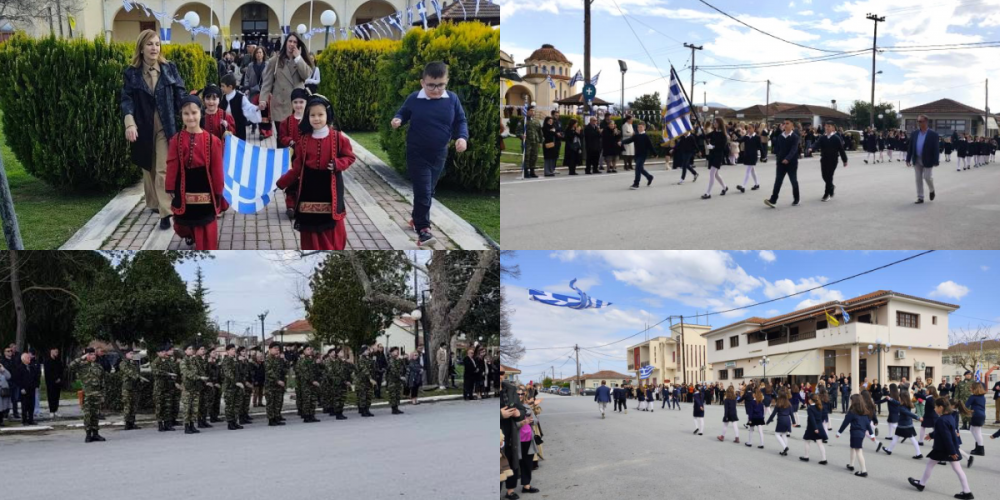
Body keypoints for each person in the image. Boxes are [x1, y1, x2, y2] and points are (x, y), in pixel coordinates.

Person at [390, 62, 470, 245]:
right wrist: (398, 119)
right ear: (422, 82)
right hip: (417, 153)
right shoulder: (414, 99)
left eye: (440, 85)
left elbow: (460, 120)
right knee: (424, 192)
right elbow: (403, 112)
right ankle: (423, 230)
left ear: (447, 82)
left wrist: (462, 138)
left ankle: (416, 218)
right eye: (431, 85)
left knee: (428, 191)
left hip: (439, 154)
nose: (435, 89)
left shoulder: (452, 99)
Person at [122, 29, 188, 231]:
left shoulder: (169, 68)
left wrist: (191, 113)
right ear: (141, 48)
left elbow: (180, 94)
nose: (154, 48)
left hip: (165, 127)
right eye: (150, 44)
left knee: (162, 169)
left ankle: (165, 212)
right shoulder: (131, 73)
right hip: (142, 127)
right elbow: (126, 100)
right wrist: (130, 123)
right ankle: (153, 203)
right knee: (147, 167)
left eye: (157, 44)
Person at [277, 95, 355, 250]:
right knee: (310, 226)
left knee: (331, 225)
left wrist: (338, 164)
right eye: (312, 115)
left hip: (330, 189)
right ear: (307, 117)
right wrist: (280, 183)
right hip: (309, 189)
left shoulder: (338, 138)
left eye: (320, 115)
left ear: (328, 115)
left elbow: (350, 157)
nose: (316, 119)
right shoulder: (304, 140)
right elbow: (297, 167)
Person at [165, 95, 228, 249]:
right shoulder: (176, 140)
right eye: (186, 114)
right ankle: (189, 235)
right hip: (184, 187)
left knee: (205, 226)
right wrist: (170, 186)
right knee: (181, 223)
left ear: (201, 113)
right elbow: (172, 164)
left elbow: (217, 169)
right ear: (181, 116)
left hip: (205, 189)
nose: (190, 117)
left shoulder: (213, 141)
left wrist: (219, 192)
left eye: (194, 113)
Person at [909, 398, 974, 499]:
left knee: (930, 465)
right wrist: (931, 435)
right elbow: (943, 432)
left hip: (943, 449)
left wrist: (952, 452)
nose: (934, 409)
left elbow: (946, 437)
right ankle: (967, 491)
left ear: (941, 407)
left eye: (935, 407)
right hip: (951, 447)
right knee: (958, 469)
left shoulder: (941, 420)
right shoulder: (949, 417)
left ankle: (921, 484)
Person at [259, 33, 313, 125]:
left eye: (295, 42)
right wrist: (263, 99)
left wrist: (298, 58)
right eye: (290, 41)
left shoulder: (301, 60)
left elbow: (306, 75)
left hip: (297, 104)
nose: (292, 44)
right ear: (286, 43)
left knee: (297, 136)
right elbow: (267, 82)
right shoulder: (275, 60)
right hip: (280, 104)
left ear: (298, 45)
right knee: (281, 136)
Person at [836, 394, 877, 477]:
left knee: (858, 451)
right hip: (861, 433)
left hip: (855, 433)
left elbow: (845, 423)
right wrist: (872, 434)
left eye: (851, 400)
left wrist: (839, 432)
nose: (850, 402)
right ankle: (851, 465)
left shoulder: (852, 412)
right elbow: (867, 424)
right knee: (852, 448)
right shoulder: (865, 411)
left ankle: (864, 470)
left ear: (854, 401)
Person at [808, 122, 848, 202]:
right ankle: (831, 186)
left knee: (829, 176)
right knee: (824, 176)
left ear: (833, 128)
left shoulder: (836, 138)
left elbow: (841, 150)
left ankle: (827, 194)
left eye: (828, 126)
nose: (826, 128)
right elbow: (817, 144)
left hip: (833, 160)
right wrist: (811, 148)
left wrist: (845, 160)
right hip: (824, 159)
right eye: (826, 127)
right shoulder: (823, 137)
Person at [764, 119, 800, 208]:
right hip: (781, 163)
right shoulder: (780, 136)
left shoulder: (795, 136)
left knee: (793, 181)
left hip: (791, 163)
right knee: (778, 181)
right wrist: (778, 159)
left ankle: (796, 198)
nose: (785, 125)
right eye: (784, 123)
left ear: (792, 126)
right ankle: (773, 200)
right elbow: (778, 149)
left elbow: (794, 149)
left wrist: (788, 158)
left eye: (787, 123)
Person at [905, 114, 940, 204]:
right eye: (918, 121)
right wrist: (908, 158)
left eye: (920, 121)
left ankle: (932, 190)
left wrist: (936, 160)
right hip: (917, 158)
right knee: (918, 179)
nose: (918, 123)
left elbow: (936, 148)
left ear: (926, 122)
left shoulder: (933, 134)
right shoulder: (914, 133)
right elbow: (911, 147)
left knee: (927, 177)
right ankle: (920, 197)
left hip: (928, 159)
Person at [878, 391, 923, 458]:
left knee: (897, 437)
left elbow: (909, 413)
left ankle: (889, 450)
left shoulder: (901, 407)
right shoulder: (907, 403)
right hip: (908, 424)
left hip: (903, 425)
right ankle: (918, 453)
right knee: (911, 439)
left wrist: (917, 418)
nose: (898, 397)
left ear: (902, 398)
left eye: (899, 396)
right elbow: (897, 403)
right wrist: (890, 399)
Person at [620, 122, 656, 190]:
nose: (639, 128)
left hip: (643, 155)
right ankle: (649, 177)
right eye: (638, 127)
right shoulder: (636, 135)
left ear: (644, 127)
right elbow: (629, 140)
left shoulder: (645, 136)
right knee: (640, 169)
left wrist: (655, 154)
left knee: (637, 168)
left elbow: (650, 146)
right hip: (637, 155)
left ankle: (636, 184)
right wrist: (622, 142)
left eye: (641, 127)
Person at [702, 117, 729, 199]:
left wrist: (713, 147)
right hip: (712, 155)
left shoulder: (723, 135)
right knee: (716, 174)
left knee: (712, 173)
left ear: (720, 123)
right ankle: (725, 187)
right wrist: (702, 131)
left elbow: (722, 147)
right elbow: (705, 137)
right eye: (714, 122)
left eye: (716, 122)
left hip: (718, 155)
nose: (714, 124)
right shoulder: (714, 132)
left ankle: (708, 193)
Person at [119, 348, 145, 430]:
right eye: (130, 353)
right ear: (126, 354)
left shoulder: (135, 363)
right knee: (127, 405)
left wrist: (140, 379)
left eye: (133, 354)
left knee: (134, 405)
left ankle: (132, 422)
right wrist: (138, 377)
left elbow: (139, 372)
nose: (132, 355)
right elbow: (128, 371)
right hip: (127, 388)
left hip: (135, 387)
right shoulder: (123, 363)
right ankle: (127, 423)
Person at [800, 394, 829, 464]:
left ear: (810, 400)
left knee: (807, 441)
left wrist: (815, 428)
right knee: (820, 443)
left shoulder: (810, 408)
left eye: (809, 399)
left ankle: (806, 456)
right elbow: (822, 416)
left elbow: (812, 418)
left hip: (812, 427)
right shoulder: (819, 406)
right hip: (819, 426)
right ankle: (824, 459)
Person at [296, 346, 322, 422]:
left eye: (310, 349)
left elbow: (318, 370)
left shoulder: (312, 360)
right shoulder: (303, 361)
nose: (310, 350)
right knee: (307, 400)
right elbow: (305, 373)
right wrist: (313, 381)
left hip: (313, 384)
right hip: (306, 384)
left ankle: (312, 415)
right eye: (308, 349)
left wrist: (318, 363)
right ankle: (306, 416)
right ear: (304, 351)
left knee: (313, 400)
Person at [12, 352, 39, 425]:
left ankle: (31, 419)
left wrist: (36, 386)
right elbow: (17, 379)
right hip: (24, 390)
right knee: (24, 406)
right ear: (23, 359)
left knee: (31, 405)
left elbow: (36, 377)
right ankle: (24, 420)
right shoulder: (19, 368)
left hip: (32, 389)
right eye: (27, 357)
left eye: (29, 357)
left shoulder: (32, 367)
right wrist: (21, 388)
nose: (29, 358)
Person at [736, 123, 761, 193]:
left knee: (748, 170)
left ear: (754, 129)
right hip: (747, 156)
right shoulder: (746, 137)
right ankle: (757, 184)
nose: (748, 129)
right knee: (752, 170)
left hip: (753, 156)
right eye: (748, 128)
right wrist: (736, 133)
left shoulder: (757, 137)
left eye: (750, 128)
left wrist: (763, 156)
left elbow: (760, 147)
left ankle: (743, 186)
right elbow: (739, 140)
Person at [354, 345, 376, 417]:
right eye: (366, 350)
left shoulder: (369, 359)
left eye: (368, 350)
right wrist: (370, 378)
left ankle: (367, 410)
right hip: (362, 381)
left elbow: (373, 368)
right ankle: (363, 411)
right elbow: (365, 370)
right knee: (363, 397)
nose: (368, 351)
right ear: (363, 351)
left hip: (368, 382)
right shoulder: (361, 359)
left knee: (368, 396)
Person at [966, 382, 987, 456]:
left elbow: (966, 405)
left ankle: (980, 449)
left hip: (976, 415)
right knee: (972, 430)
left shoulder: (973, 397)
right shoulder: (982, 397)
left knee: (977, 432)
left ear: (975, 388)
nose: (970, 388)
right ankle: (978, 446)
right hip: (981, 415)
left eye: (971, 387)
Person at [386, 346, 408, 415]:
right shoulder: (391, 360)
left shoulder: (398, 359)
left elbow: (404, 367)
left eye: (397, 351)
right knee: (393, 395)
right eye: (395, 351)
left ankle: (396, 408)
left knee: (397, 394)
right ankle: (394, 409)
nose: (397, 352)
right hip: (392, 380)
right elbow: (393, 370)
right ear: (392, 352)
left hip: (398, 380)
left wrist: (403, 359)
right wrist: (400, 377)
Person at [42, 347, 63, 418]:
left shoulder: (59, 361)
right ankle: (51, 410)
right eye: (55, 352)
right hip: (50, 382)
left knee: (57, 397)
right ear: (51, 352)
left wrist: (59, 378)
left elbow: (61, 371)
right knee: (51, 396)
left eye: (57, 352)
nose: (57, 353)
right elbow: (48, 373)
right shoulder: (47, 361)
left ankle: (56, 410)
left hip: (58, 382)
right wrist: (55, 379)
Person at [522, 107, 541, 178]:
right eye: (531, 110)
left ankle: (532, 171)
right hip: (527, 142)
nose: (532, 112)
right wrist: (521, 135)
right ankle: (526, 172)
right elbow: (518, 131)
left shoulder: (536, 121)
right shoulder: (523, 121)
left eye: (533, 111)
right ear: (527, 111)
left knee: (534, 157)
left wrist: (540, 141)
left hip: (535, 142)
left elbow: (539, 132)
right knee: (527, 157)